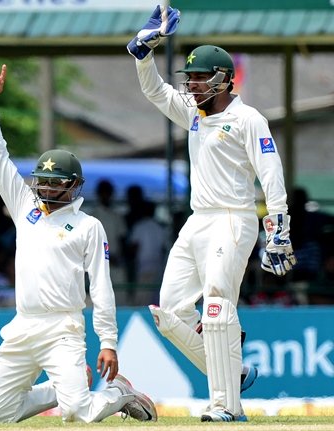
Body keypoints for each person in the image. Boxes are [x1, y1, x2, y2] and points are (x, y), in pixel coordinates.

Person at [127, 6, 297, 422]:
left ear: (223, 78)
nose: (193, 85)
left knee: (218, 307)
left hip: (233, 219)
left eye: (201, 78)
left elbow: (269, 171)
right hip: (197, 220)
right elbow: (155, 92)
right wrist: (143, 56)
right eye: (191, 79)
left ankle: (226, 406)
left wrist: (279, 228)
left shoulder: (247, 119)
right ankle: (231, 371)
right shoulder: (193, 114)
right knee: (168, 313)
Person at [0, 64, 157, 424]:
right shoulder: (25, 206)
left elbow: (102, 289)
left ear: (73, 186)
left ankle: (119, 393)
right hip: (23, 324)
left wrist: (108, 342)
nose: (44, 188)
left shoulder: (88, 226)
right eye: (41, 180)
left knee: (76, 412)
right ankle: (63, 391)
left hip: (63, 329)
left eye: (53, 182)